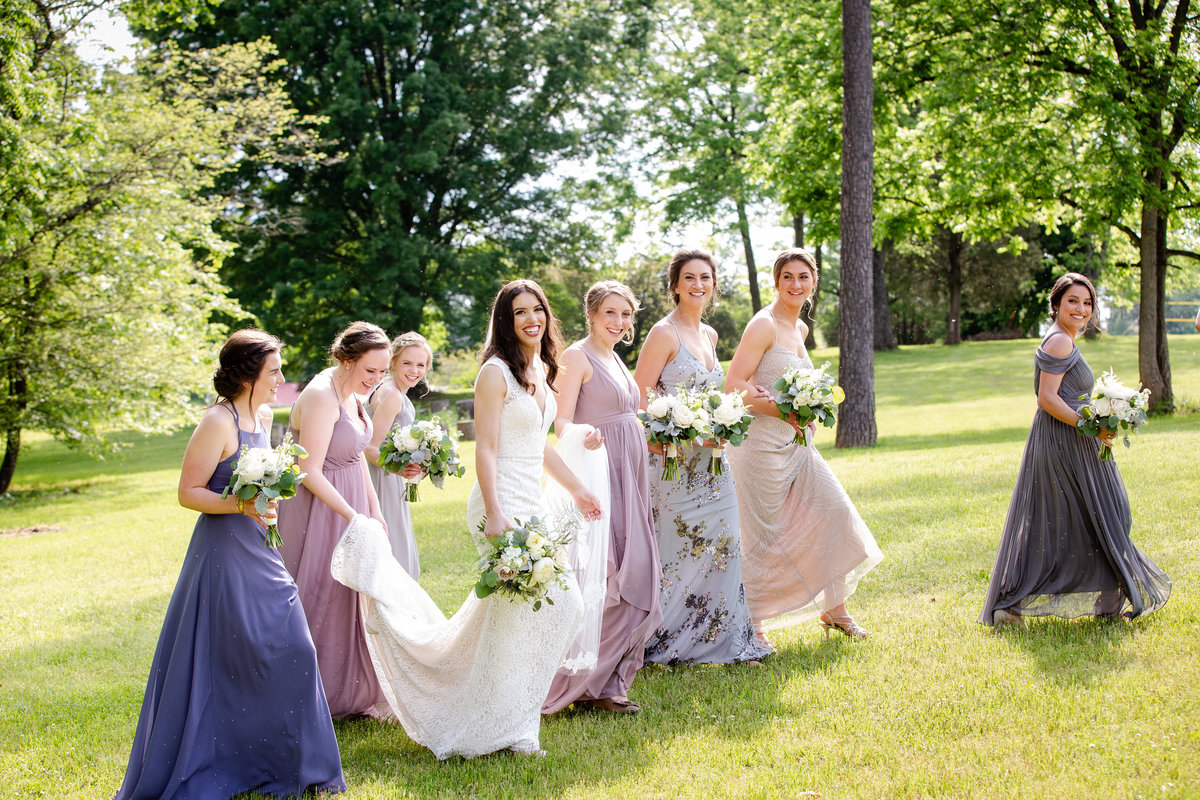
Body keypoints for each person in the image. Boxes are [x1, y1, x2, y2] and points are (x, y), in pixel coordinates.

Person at [329, 279, 603, 758]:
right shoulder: (494, 373)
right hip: (499, 503)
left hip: (533, 502)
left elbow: (538, 443)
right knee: (558, 604)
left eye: (536, 309)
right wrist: (496, 512)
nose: (530, 319)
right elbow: (489, 448)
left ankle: (508, 719)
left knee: (526, 614)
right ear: (505, 320)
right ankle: (509, 725)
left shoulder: (539, 367)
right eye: (519, 312)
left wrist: (578, 490)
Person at [114, 329, 344, 800]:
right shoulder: (217, 422)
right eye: (274, 370)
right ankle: (225, 762)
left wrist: (270, 497)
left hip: (261, 545)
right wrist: (241, 505)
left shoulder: (262, 414)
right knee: (227, 654)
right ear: (246, 375)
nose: (282, 377)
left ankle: (292, 763)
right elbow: (188, 493)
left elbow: (264, 481)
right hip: (223, 552)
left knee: (293, 646)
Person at [979, 273, 1171, 625]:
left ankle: (1106, 602)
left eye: (1087, 302)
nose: (1081, 308)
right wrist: (1092, 425)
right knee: (1090, 516)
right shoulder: (1059, 343)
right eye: (1073, 301)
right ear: (1055, 305)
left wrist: (1104, 414)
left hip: (1073, 439)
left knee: (1098, 514)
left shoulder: (1062, 339)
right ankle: (1013, 605)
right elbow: (1046, 399)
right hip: (1065, 442)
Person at [725, 248, 883, 644]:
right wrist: (783, 409)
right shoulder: (763, 325)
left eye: (803, 277)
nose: (796, 284)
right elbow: (735, 386)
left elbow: (795, 387)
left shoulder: (800, 329)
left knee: (834, 513)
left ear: (814, 282)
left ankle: (834, 610)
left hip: (799, 446)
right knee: (761, 534)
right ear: (776, 281)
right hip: (761, 447)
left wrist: (809, 409)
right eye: (788, 277)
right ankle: (755, 625)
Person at [633, 249, 771, 665]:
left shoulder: (710, 336)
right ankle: (667, 642)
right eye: (689, 278)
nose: (698, 285)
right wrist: (669, 435)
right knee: (678, 555)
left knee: (726, 544)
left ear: (714, 285)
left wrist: (723, 423)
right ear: (675, 285)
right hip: (673, 465)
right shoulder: (662, 334)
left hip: (713, 462)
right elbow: (638, 397)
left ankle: (727, 638)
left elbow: (714, 397)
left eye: (705, 278)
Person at [542, 281, 662, 715]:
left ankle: (608, 681)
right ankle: (589, 684)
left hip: (631, 472)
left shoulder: (615, 357)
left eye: (626, 315)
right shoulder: (576, 356)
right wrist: (583, 435)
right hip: (602, 471)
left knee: (641, 567)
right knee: (614, 573)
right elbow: (559, 422)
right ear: (591, 314)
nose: (619, 322)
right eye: (611, 313)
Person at [278, 321, 390, 719]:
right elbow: (308, 470)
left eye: (382, 372)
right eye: (369, 371)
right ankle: (308, 695)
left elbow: (357, 456)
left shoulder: (354, 395)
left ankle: (351, 692)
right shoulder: (322, 396)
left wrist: (374, 512)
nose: (376, 380)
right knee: (320, 592)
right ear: (345, 361)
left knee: (351, 595)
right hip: (320, 507)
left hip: (352, 501)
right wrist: (353, 515)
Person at [364, 332, 433, 577]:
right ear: (393, 362)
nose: (414, 370)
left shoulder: (391, 390)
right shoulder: (392, 395)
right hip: (382, 479)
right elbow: (370, 447)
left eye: (420, 364)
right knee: (394, 550)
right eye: (407, 363)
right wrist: (399, 469)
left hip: (386, 474)